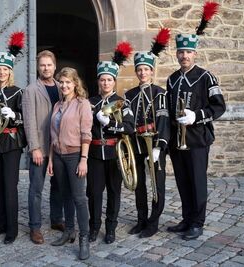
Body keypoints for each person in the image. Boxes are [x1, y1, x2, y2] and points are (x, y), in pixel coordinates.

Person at [166, 32, 226, 240]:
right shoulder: (172, 79)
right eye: (181, 52)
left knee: (197, 182)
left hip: (198, 138)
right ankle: (187, 219)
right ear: (177, 54)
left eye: (189, 52)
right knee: (183, 182)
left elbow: (219, 106)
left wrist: (197, 116)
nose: (185, 56)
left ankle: (197, 223)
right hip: (177, 140)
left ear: (195, 54)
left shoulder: (206, 77)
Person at [87, 42, 135, 244]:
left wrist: (111, 124)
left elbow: (130, 127)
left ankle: (111, 228)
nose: (105, 83)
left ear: (114, 82)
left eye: (109, 80)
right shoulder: (90, 102)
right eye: (102, 79)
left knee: (114, 193)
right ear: (98, 81)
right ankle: (93, 227)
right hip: (95, 154)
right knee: (94, 193)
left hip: (115, 153)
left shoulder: (123, 103)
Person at [0, 32, 27, 245]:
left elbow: (25, 119)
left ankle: (12, 229)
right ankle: (1, 224)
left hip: (11, 144)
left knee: (10, 186)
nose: (1, 72)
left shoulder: (18, 92)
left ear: (10, 72)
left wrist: (14, 116)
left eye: (5, 70)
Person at [47, 67, 93, 260]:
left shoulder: (82, 104)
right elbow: (53, 135)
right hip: (57, 156)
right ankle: (69, 231)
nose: (64, 85)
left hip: (75, 156)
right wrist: (50, 159)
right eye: (62, 82)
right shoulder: (57, 105)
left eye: (68, 82)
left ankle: (84, 238)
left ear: (75, 83)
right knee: (65, 195)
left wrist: (84, 159)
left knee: (79, 198)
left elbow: (86, 134)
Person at [125, 48, 170, 238]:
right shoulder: (129, 95)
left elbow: (163, 120)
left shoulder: (160, 93)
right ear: (136, 72)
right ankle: (141, 219)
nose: (142, 73)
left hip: (154, 144)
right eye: (139, 69)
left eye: (146, 69)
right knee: (139, 184)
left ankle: (154, 222)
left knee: (156, 184)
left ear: (152, 71)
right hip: (136, 143)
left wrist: (160, 146)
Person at [22, 50, 65, 245]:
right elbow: (29, 122)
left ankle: (56, 220)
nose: (46, 68)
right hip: (40, 146)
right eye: (42, 65)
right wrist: (34, 148)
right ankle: (35, 226)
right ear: (38, 67)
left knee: (58, 186)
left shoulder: (62, 87)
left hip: (58, 147)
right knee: (36, 188)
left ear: (54, 66)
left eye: (49, 65)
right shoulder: (31, 90)